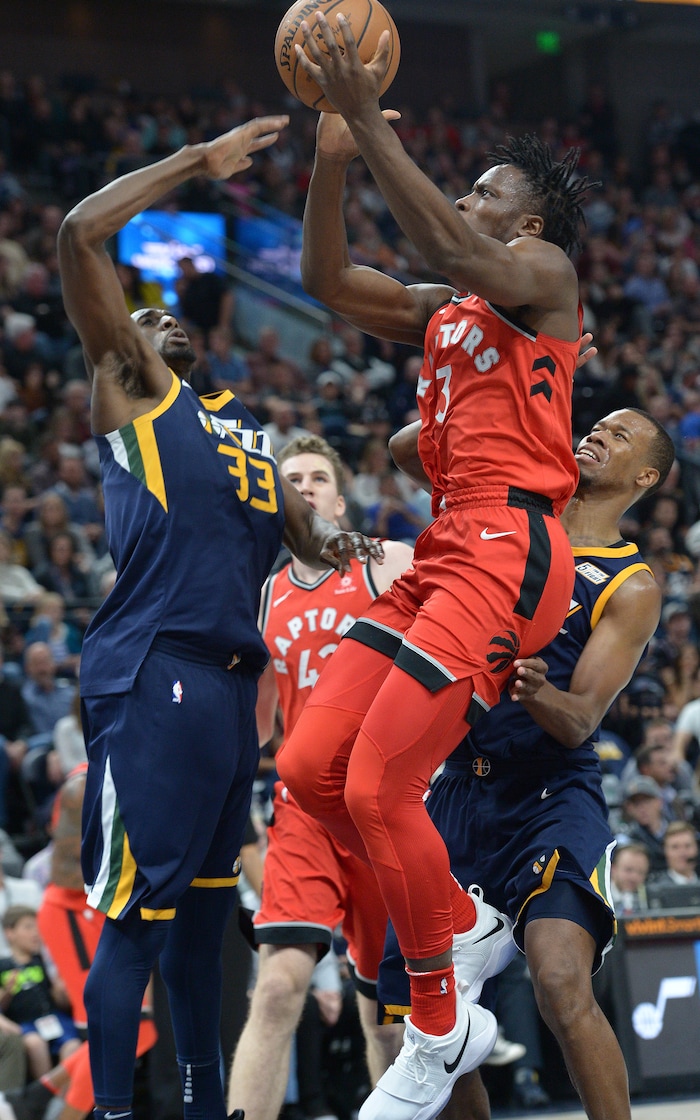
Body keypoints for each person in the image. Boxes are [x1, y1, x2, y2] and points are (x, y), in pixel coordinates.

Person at [277, 15, 594, 1119]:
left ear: (528, 221)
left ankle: (438, 1020)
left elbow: (458, 251)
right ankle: (460, 927)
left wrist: (370, 117)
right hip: (447, 543)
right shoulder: (445, 313)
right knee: (312, 768)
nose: (464, 198)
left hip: (511, 548)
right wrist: (332, 156)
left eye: (482, 191)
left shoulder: (542, 274)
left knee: (379, 784)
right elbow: (326, 277)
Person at [56, 113, 382, 1120]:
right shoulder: (130, 390)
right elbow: (79, 233)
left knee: (201, 934)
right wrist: (198, 164)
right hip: (155, 673)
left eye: (170, 315)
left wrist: (368, 543)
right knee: (136, 926)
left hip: (230, 698)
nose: (158, 318)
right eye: (141, 314)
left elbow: (315, 541)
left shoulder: (240, 431)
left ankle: (210, 1111)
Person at [379, 406, 675, 1120]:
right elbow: (407, 449)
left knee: (561, 983)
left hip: (550, 796)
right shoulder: (516, 506)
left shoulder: (630, 584)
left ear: (645, 476)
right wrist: (492, 384)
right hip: (457, 789)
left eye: (620, 435)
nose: (597, 433)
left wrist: (535, 688)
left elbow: (579, 722)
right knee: (431, 1015)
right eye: (596, 424)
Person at [227, 435, 412, 1120]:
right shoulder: (264, 594)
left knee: (388, 1025)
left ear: (339, 500)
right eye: (291, 479)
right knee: (278, 987)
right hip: (305, 807)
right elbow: (257, 726)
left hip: (385, 805)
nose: (303, 487)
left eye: (317, 478)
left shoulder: (387, 563)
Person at [0, 905, 81, 1079]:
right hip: (26, 1024)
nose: (35, 933)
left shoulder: (42, 961)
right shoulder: (3, 965)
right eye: (28, 927)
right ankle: (44, 1090)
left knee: (73, 1044)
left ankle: (65, 1093)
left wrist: (60, 990)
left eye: (37, 927)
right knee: (36, 1044)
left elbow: (57, 999)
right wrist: (7, 992)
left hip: (53, 1018)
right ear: (10, 933)